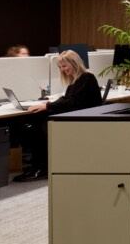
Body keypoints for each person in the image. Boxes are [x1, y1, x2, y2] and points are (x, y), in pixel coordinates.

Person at [13, 50, 102, 182]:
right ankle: (37, 165)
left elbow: (72, 101)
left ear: (74, 63)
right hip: (76, 114)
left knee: (37, 122)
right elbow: (70, 99)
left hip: (83, 119)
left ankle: (41, 167)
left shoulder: (86, 78)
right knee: (34, 118)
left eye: (64, 66)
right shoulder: (76, 80)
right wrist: (51, 104)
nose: (62, 69)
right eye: (60, 67)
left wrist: (48, 106)